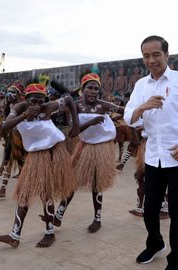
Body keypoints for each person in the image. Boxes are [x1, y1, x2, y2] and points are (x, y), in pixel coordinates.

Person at [124, 35, 178, 270]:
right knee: (150, 209)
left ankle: (176, 260)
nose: (151, 60)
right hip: (153, 156)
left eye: (155, 55)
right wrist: (143, 106)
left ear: (166, 55)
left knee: (177, 212)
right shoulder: (141, 86)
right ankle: (155, 244)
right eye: (146, 56)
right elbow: (129, 118)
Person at [0, 81, 80, 248]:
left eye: (41, 100)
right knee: (23, 194)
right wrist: (25, 116)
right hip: (35, 155)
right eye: (33, 100)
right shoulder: (18, 108)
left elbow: (69, 99)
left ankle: (50, 233)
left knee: (45, 193)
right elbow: (4, 126)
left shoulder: (48, 107)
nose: (37, 104)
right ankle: (14, 235)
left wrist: (76, 124)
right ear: (26, 99)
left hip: (53, 152)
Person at [41, 72, 123, 233]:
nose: (93, 91)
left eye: (96, 88)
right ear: (82, 89)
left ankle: (97, 219)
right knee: (72, 182)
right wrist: (92, 122)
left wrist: (117, 118)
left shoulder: (103, 105)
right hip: (84, 147)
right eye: (89, 88)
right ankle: (58, 216)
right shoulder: (76, 105)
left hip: (102, 149)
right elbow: (73, 132)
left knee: (96, 184)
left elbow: (125, 110)